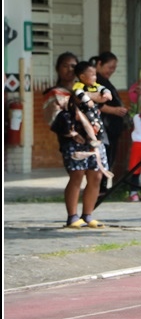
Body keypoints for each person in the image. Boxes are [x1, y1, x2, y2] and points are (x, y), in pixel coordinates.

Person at [42, 52, 106, 229]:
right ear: (57, 68)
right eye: (65, 65)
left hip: (94, 138)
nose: (69, 69)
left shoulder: (89, 89)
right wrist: (72, 132)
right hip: (72, 139)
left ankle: (88, 215)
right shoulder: (54, 93)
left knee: (96, 175)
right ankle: (72, 217)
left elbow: (101, 104)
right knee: (77, 174)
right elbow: (53, 118)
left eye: (73, 66)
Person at [93, 51, 129, 194]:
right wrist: (114, 110)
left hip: (112, 127)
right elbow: (95, 102)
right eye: (109, 67)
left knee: (109, 156)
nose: (111, 71)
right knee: (104, 156)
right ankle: (99, 187)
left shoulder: (103, 80)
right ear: (99, 64)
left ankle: (102, 186)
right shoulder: (95, 81)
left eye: (114, 68)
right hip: (104, 126)